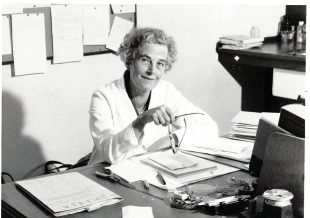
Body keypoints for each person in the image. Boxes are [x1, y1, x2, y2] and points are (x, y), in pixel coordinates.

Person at [88, 27, 218, 165]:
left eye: (160, 63)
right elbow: (110, 153)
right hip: (105, 175)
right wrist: (141, 121)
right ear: (129, 59)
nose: (152, 71)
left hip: (149, 171)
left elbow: (209, 127)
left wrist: (171, 139)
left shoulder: (167, 91)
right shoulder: (103, 96)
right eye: (145, 60)